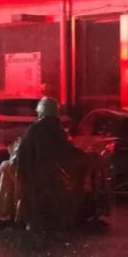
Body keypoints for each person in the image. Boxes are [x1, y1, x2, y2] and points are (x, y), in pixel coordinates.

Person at [16, 97, 83, 233]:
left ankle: (37, 224)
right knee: (57, 198)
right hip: (47, 174)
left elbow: (23, 153)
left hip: (34, 174)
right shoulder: (55, 129)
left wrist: (24, 173)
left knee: (37, 202)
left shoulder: (35, 129)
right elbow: (65, 151)